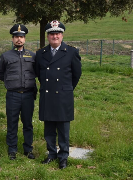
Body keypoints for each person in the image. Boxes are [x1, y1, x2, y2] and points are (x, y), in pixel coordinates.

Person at [35, 20, 82, 169]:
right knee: (48, 127)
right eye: (52, 34)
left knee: (63, 129)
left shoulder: (71, 52)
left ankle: (63, 157)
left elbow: (76, 74)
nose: (55, 36)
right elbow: (38, 73)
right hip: (47, 94)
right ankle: (51, 154)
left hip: (63, 95)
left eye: (58, 33)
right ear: (48, 36)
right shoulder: (41, 54)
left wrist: (66, 88)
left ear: (62, 35)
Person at [0, 24, 37, 160]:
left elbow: (37, 72)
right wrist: (10, 82)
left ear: (25, 39)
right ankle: (12, 149)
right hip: (13, 95)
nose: (19, 40)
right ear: (12, 39)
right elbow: (0, 73)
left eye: (21, 37)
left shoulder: (32, 55)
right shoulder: (6, 56)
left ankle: (28, 149)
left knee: (28, 123)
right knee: (12, 122)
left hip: (28, 95)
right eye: (16, 37)